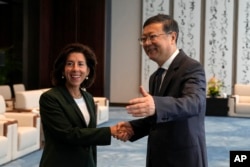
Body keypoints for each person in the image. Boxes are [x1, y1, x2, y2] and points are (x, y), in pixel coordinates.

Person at [116, 14, 208, 167]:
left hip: (183, 158)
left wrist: (156, 105)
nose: (147, 43)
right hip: (158, 157)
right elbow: (159, 117)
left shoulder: (191, 67)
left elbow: (194, 102)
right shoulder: (155, 77)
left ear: (172, 37)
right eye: (143, 39)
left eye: (152, 37)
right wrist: (133, 128)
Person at [39, 43, 122, 167]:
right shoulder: (50, 98)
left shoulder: (88, 98)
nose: (75, 69)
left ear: (88, 70)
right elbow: (68, 135)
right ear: (62, 69)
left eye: (81, 64)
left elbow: (89, 136)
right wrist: (109, 131)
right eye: (70, 64)